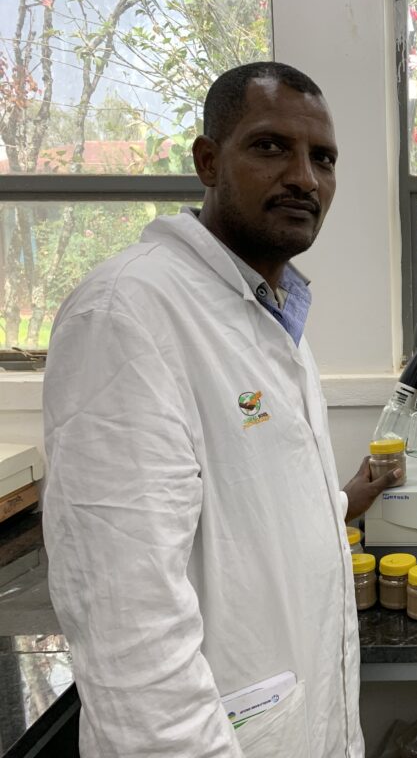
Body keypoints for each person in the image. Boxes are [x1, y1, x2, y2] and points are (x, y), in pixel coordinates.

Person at [42, 62, 397, 757]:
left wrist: (342, 500)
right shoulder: (129, 313)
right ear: (209, 161)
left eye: (322, 158)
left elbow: (244, 500)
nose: (304, 177)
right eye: (271, 146)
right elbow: (128, 624)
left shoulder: (271, 311)